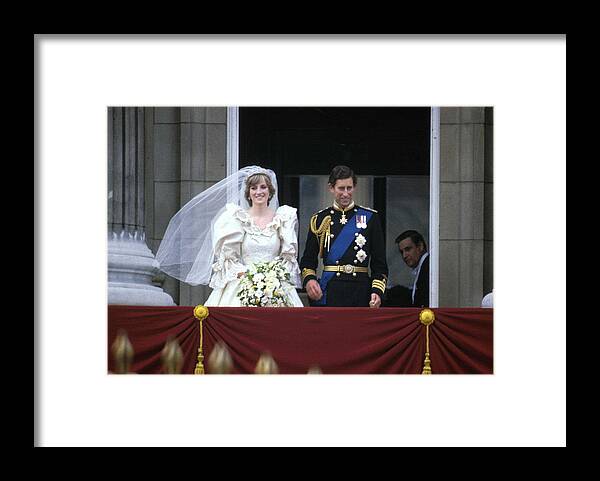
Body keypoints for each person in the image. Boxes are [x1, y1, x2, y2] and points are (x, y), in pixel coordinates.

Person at [156, 166, 304, 307]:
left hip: (276, 286)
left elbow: (287, 259)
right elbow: (229, 260)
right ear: (248, 193)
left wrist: (272, 278)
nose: (259, 192)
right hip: (243, 282)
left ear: (270, 191)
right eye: (254, 188)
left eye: (263, 187)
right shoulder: (235, 219)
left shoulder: (283, 218)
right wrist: (251, 278)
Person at [299, 165, 388, 307]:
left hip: (361, 291)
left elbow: (380, 264)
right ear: (331, 188)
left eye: (349, 188)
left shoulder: (370, 218)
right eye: (341, 188)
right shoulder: (320, 219)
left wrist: (377, 290)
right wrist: (310, 280)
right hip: (330, 290)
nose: (345, 193)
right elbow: (308, 260)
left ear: (354, 187)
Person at [385, 230, 429, 308]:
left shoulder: (428, 267)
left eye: (408, 249)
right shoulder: (422, 267)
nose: (404, 255)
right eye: (402, 252)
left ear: (420, 246)